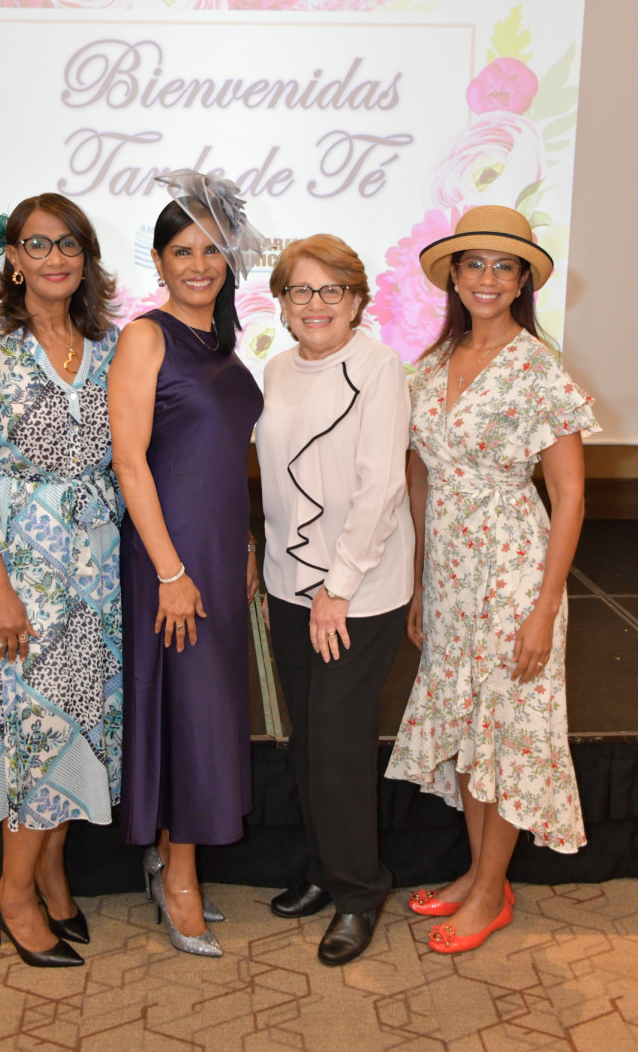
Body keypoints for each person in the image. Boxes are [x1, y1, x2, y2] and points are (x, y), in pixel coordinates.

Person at [385, 204, 599, 954]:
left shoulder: (539, 368)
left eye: (503, 266)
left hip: (513, 575)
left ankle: (486, 892)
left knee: (502, 731)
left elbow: (570, 494)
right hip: (448, 574)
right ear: (452, 274)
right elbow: (417, 478)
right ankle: (482, 874)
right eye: (472, 262)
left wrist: (544, 608)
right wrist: (416, 582)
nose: (486, 277)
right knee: (470, 731)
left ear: (521, 283)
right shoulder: (429, 366)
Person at [0, 193, 122, 969]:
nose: (54, 258)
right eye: (37, 244)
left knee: (76, 722)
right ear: (11, 256)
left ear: (86, 256)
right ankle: (12, 893)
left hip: (93, 570)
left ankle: (50, 872)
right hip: (14, 570)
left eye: (69, 244)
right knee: (33, 730)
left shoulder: (106, 341)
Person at [109, 171, 265, 958]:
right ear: (161, 262)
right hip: (170, 560)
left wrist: (241, 546)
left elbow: (224, 458)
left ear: (229, 260)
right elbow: (131, 463)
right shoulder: (147, 335)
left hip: (215, 556)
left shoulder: (221, 344)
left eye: (211, 249)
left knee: (206, 708)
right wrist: (171, 571)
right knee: (189, 708)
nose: (198, 263)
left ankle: (171, 856)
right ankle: (178, 877)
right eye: (181, 250)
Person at [255, 234, 415, 967]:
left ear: (357, 300)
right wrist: (270, 567)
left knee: (340, 747)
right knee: (307, 743)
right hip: (291, 586)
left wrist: (337, 588)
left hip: (358, 589)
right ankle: (323, 868)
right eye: (300, 291)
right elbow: (279, 481)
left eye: (332, 291)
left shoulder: (380, 368)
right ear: (282, 303)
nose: (315, 305)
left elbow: (382, 488)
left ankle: (358, 891)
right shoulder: (277, 367)